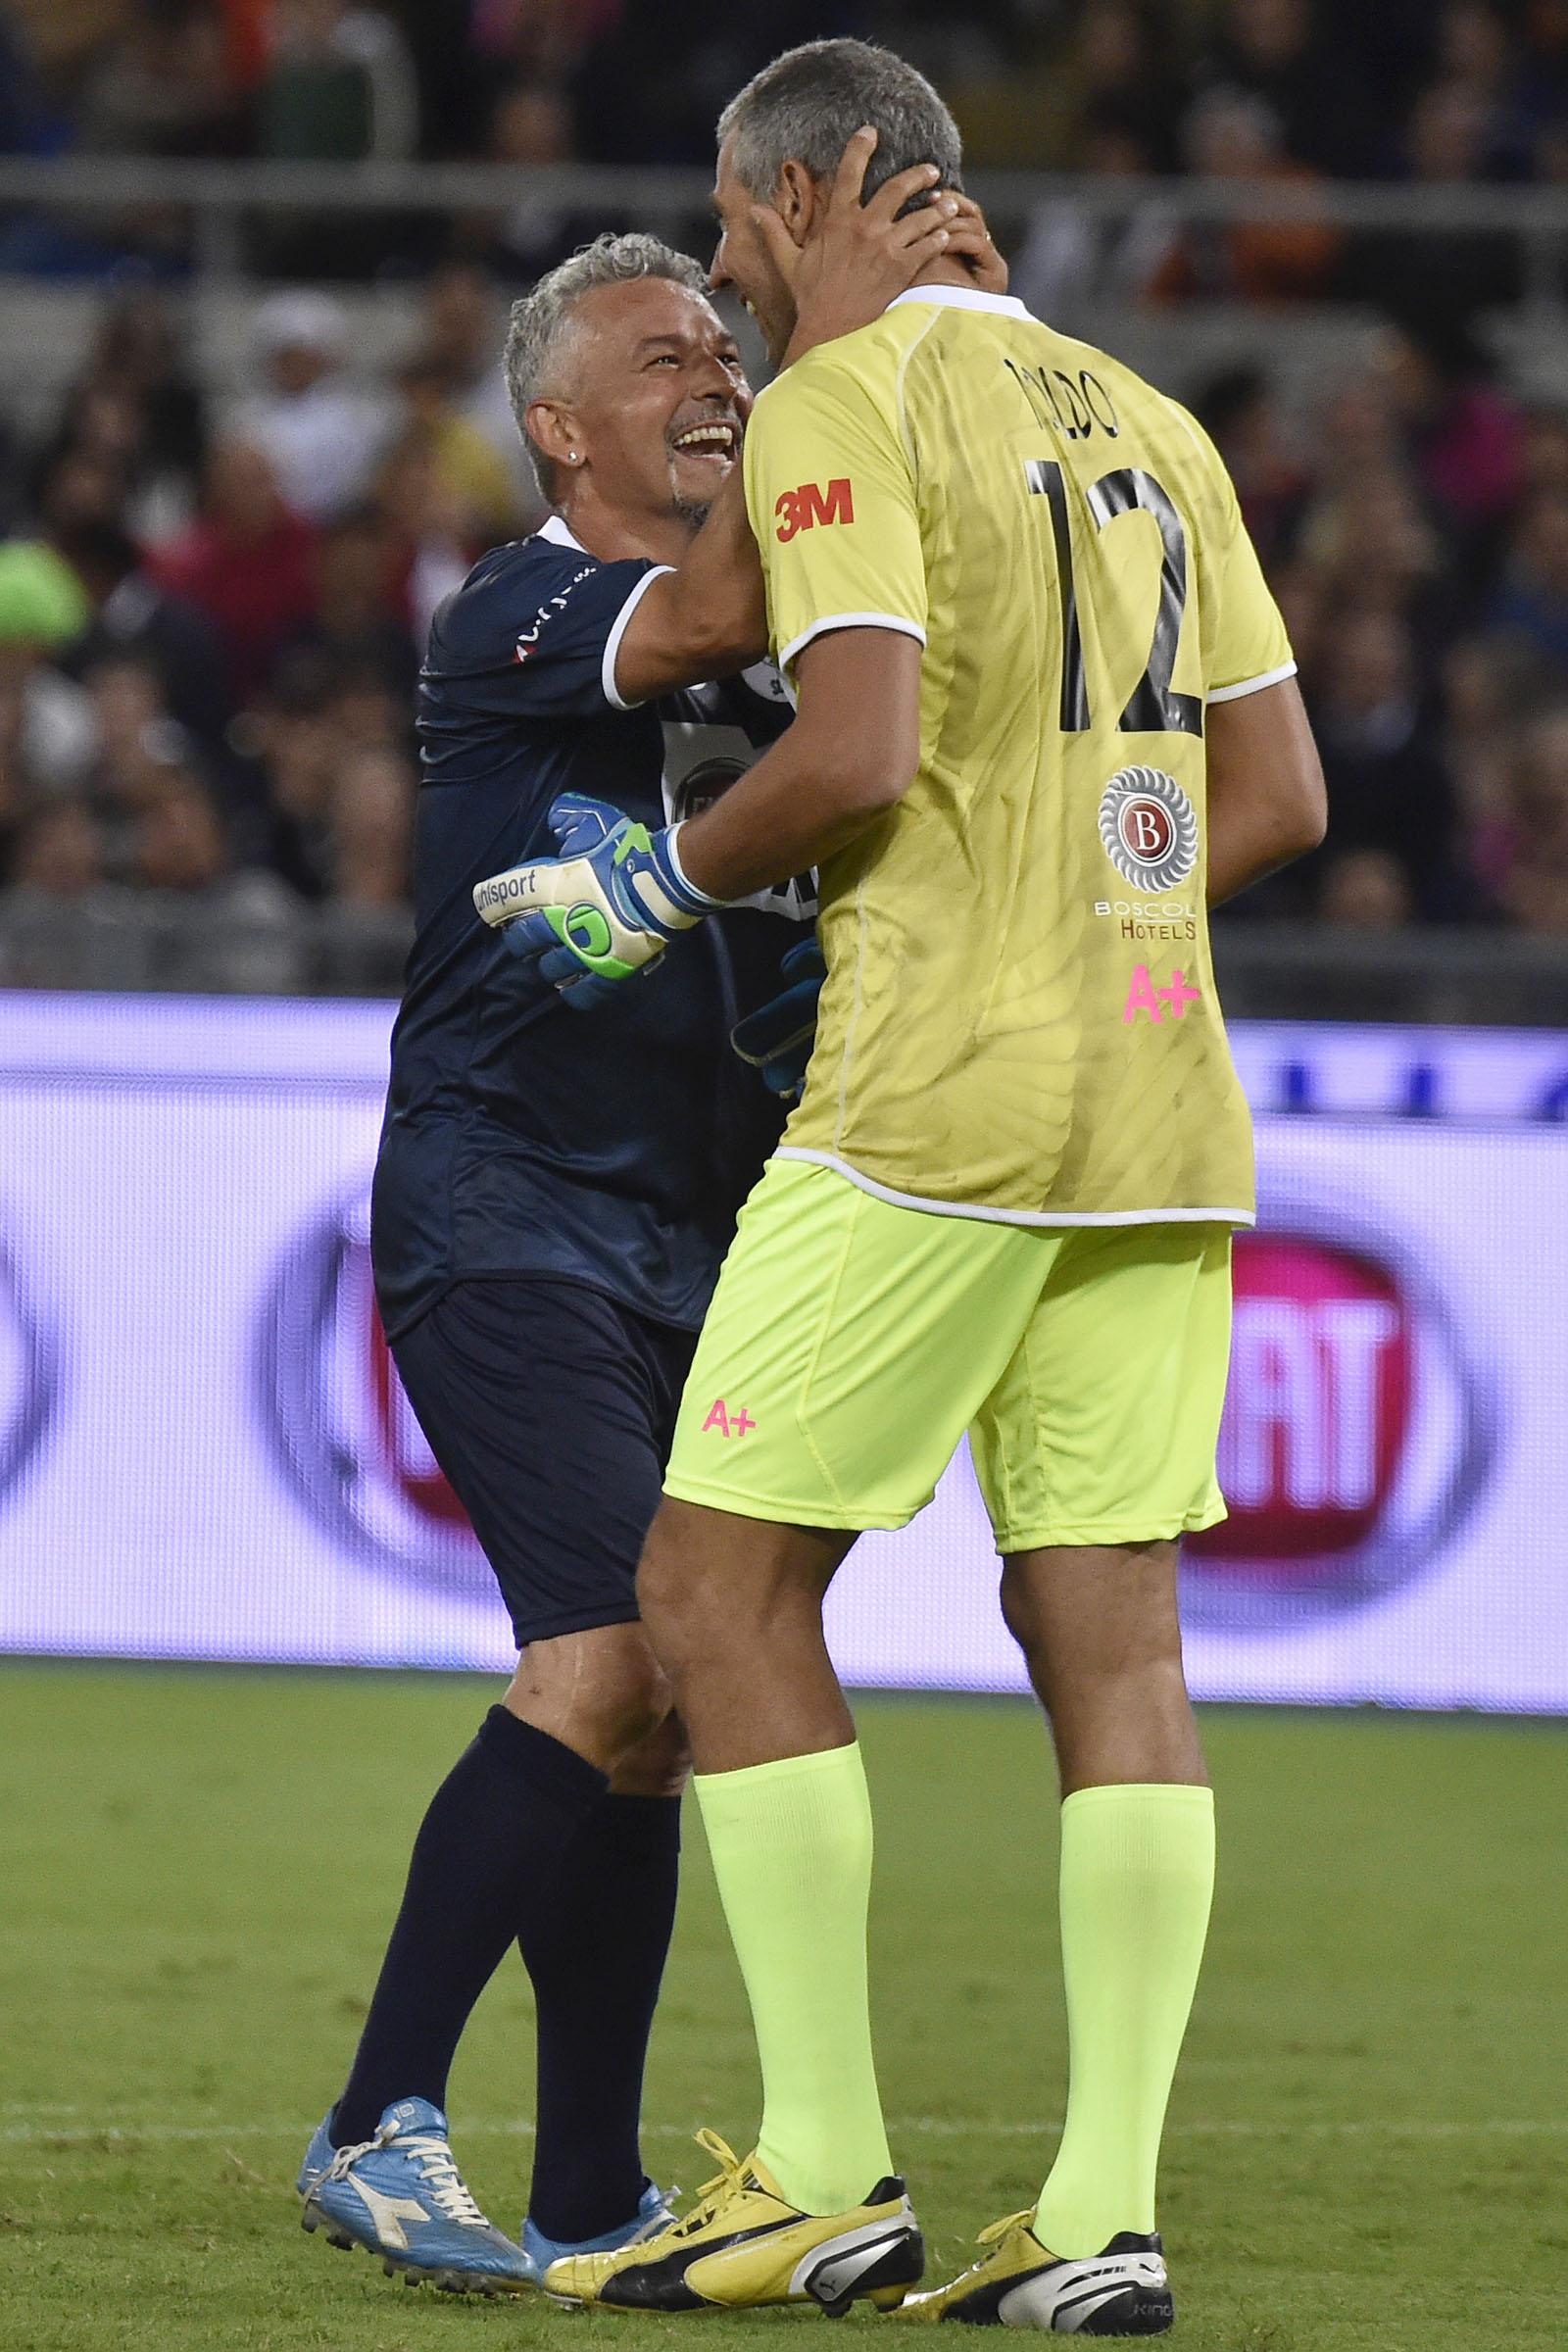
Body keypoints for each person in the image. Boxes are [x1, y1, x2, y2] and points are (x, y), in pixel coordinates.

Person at [479, 36, 1326, 2332]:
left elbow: (846, 748)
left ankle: (821, 2172)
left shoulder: (846, 398)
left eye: (739, 225)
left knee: (713, 1585)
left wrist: (657, 888)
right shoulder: (1150, 419)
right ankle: (1097, 2216)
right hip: (1159, 1108)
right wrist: (1091, 915)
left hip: (934, 1097)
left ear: (815, 189)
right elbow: (1274, 798)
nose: (736, 279)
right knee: (1110, 1637)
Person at [297, 172, 1003, 2298]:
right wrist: (851, 395)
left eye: (725, 347)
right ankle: (375, 2122)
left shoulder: (802, 684)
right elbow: (703, 617)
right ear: (562, 432)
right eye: (662, 359)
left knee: (677, 1697)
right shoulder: (515, 611)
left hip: (703, 1236)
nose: (711, 374)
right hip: (497, 1201)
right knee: (606, 1654)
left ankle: (588, 2189)